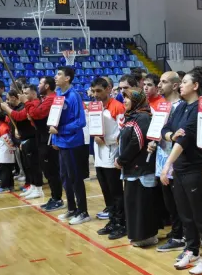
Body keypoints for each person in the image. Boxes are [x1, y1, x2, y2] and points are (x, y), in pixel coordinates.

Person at [160, 70, 202, 275]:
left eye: (185, 82)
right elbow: (165, 129)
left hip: (195, 169)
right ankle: (192, 250)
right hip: (180, 169)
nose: (181, 85)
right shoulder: (181, 107)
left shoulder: (200, 108)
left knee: (201, 215)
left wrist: (167, 165)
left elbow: (185, 139)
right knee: (185, 214)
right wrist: (171, 135)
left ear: (195, 86)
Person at [117, 88, 159, 247]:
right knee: (133, 203)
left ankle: (146, 236)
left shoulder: (142, 117)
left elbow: (138, 142)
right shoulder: (131, 116)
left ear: (136, 100)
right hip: (131, 169)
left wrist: (122, 159)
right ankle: (136, 235)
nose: (124, 101)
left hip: (141, 169)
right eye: (124, 98)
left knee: (142, 203)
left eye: (127, 98)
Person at [151, 72, 187, 253]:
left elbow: (179, 135)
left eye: (163, 82)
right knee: (169, 202)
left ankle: (181, 236)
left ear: (174, 86)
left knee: (177, 202)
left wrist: (168, 136)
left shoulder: (182, 107)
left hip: (175, 162)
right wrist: (153, 141)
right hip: (161, 160)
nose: (159, 85)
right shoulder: (161, 106)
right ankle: (177, 232)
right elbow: (159, 131)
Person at [86, 78, 127, 238]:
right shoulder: (94, 106)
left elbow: (122, 132)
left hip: (112, 153)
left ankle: (121, 223)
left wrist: (106, 139)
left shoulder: (117, 106)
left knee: (116, 191)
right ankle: (112, 220)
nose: (95, 94)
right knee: (106, 191)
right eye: (93, 91)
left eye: (99, 91)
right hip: (99, 154)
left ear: (108, 89)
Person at [50, 67, 90, 225]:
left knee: (75, 178)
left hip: (72, 143)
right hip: (61, 143)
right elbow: (55, 120)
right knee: (65, 177)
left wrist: (60, 131)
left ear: (67, 78)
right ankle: (72, 208)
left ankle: (83, 211)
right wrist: (55, 139)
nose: (55, 76)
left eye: (59, 74)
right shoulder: (58, 95)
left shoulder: (74, 96)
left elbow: (81, 122)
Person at [28, 76, 65, 212]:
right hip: (43, 137)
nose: (38, 86)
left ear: (47, 86)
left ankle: (58, 199)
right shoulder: (45, 99)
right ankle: (54, 197)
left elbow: (36, 113)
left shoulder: (51, 99)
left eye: (40, 83)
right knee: (47, 170)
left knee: (52, 170)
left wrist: (27, 103)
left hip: (49, 139)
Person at [0, 111, 15, 194]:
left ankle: (4, 187)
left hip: (4, 153)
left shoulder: (2, 128)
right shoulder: (4, 126)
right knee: (8, 170)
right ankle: (10, 186)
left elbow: (7, 141)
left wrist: (13, 148)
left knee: (4, 171)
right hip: (5, 152)